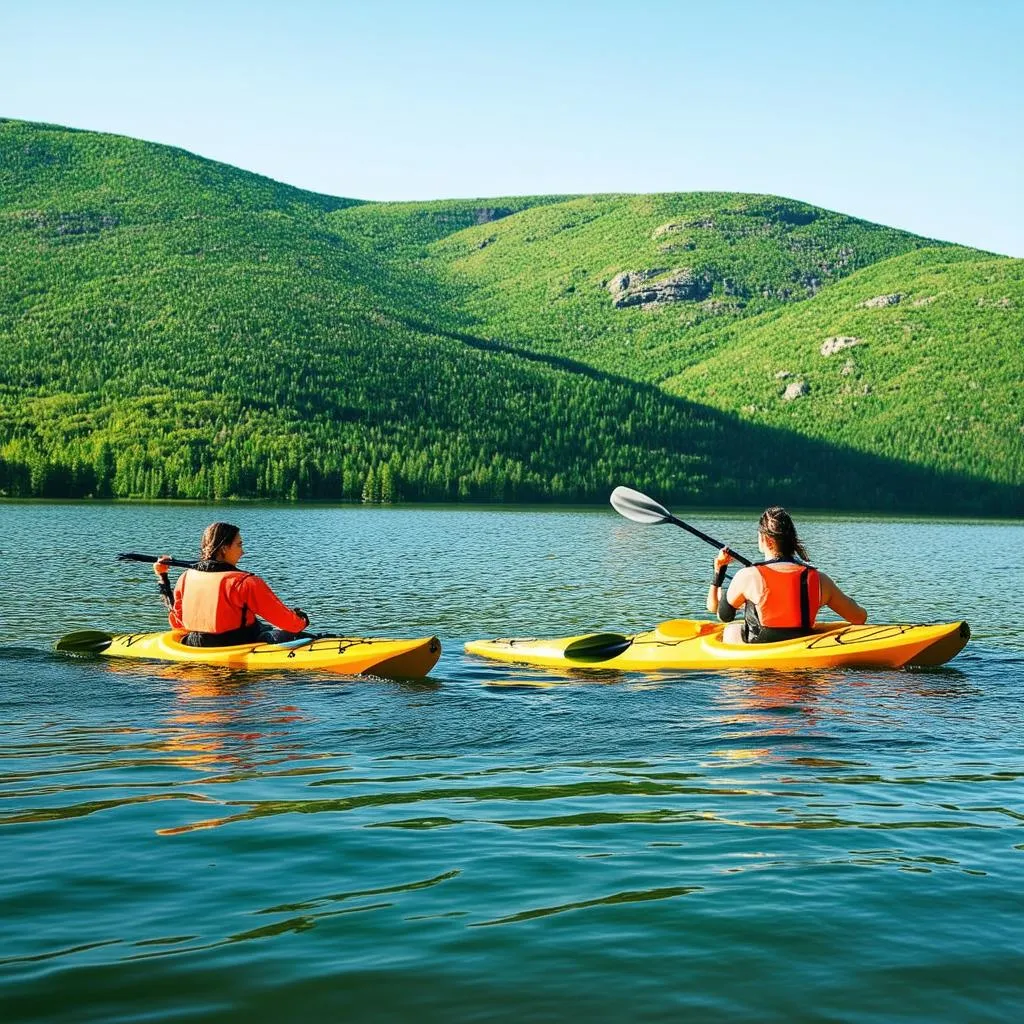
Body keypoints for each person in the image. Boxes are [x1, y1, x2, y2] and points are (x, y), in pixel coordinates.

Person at [706, 506, 866, 644]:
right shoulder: (819, 579)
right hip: (802, 650)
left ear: (766, 540)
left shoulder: (748, 576)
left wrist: (719, 569)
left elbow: (722, 615)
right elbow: (859, 618)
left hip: (760, 658)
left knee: (730, 630)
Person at [153, 522, 310, 647]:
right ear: (224, 549)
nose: (243, 552)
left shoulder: (185, 578)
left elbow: (177, 622)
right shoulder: (245, 582)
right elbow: (291, 624)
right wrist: (302, 620)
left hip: (196, 644)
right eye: (239, 545)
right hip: (237, 644)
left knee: (259, 625)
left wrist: (162, 576)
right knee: (294, 634)